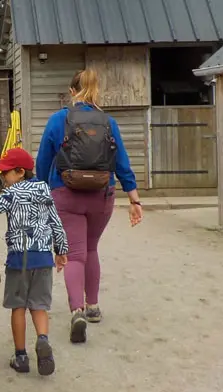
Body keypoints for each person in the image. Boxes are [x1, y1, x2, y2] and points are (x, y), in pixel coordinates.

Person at [36, 69, 144, 344]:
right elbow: (121, 162)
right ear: (97, 91)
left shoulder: (58, 120)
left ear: (72, 92)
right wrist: (134, 199)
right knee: (91, 248)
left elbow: (43, 162)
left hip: (66, 193)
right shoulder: (108, 122)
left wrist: (41, 192)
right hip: (101, 195)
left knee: (74, 254)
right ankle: (93, 306)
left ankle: (77, 311)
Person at [0, 147, 68, 375]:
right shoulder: (44, 189)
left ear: (20, 172)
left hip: (20, 259)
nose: (3, 177)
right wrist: (61, 250)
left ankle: (21, 356)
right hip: (44, 258)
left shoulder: (10, 194)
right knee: (39, 306)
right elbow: (56, 222)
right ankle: (43, 339)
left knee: (18, 307)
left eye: (6, 172)